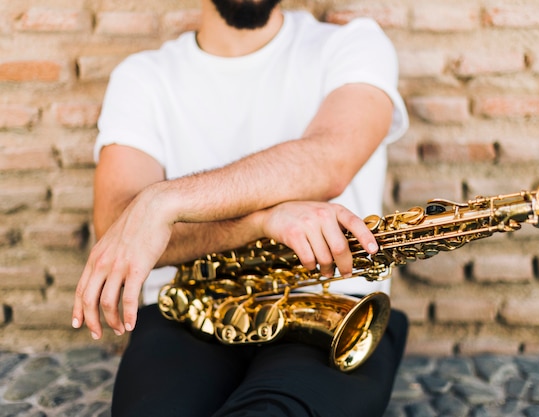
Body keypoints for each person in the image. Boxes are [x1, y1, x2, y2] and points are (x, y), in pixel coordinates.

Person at [72, 0, 410, 415]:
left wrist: (163, 201)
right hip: (188, 308)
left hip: (335, 303)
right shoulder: (142, 76)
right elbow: (117, 226)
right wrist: (263, 221)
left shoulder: (353, 43)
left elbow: (329, 160)